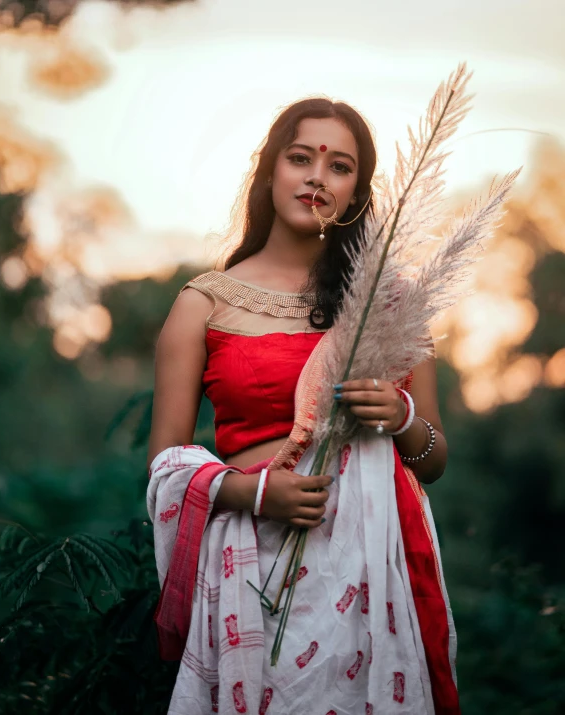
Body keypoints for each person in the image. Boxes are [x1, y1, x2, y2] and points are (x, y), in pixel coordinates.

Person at [146, 98, 460, 715]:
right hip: (252, 570)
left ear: (355, 195)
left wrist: (399, 419)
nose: (317, 176)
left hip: (368, 569)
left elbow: (435, 458)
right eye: (300, 158)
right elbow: (165, 466)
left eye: (339, 166)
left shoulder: (389, 304)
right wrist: (251, 494)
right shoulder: (202, 304)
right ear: (270, 173)